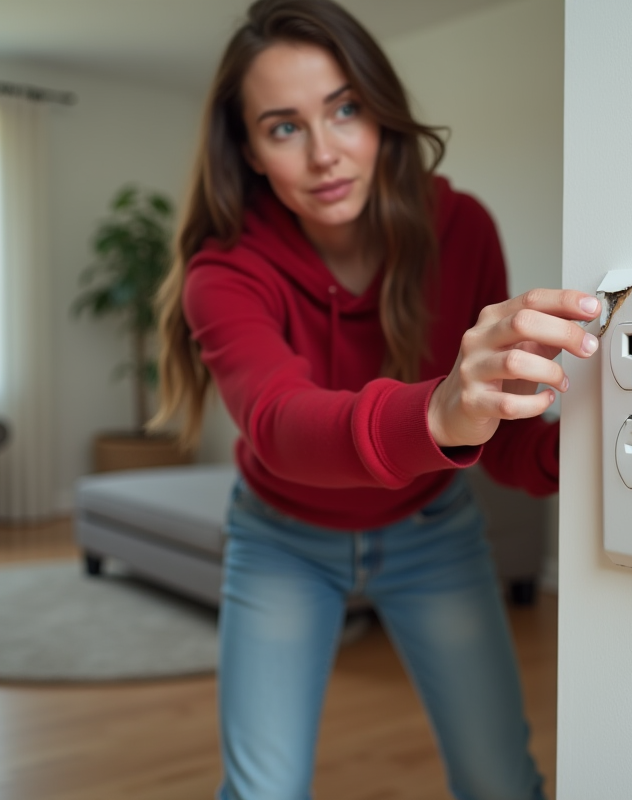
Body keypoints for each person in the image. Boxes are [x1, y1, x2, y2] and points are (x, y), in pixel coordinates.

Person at [153, 1, 601, 797]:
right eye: (284, 127)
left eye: (345, 110)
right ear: (251, 150)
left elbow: (495, 438)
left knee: (502, 782)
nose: (325, 154)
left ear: (381, 113)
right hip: (280, 539)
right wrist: (438, 409)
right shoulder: (223, 273)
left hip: (434, 532)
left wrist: (596, 446)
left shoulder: (461, 229)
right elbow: (277, 425)